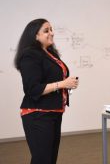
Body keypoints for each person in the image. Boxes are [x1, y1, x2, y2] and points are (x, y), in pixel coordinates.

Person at [14, 18, 79, 164]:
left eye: (51, 29)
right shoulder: (30, 54)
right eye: (46, 30)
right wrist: (63, 83)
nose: (52, 33)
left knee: (49, 159)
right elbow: (32, 89)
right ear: (35, 36)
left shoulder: (50, 54)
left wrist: (66, 84)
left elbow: (52, 80)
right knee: (42, 160)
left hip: (54, 112)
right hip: (38, 114)